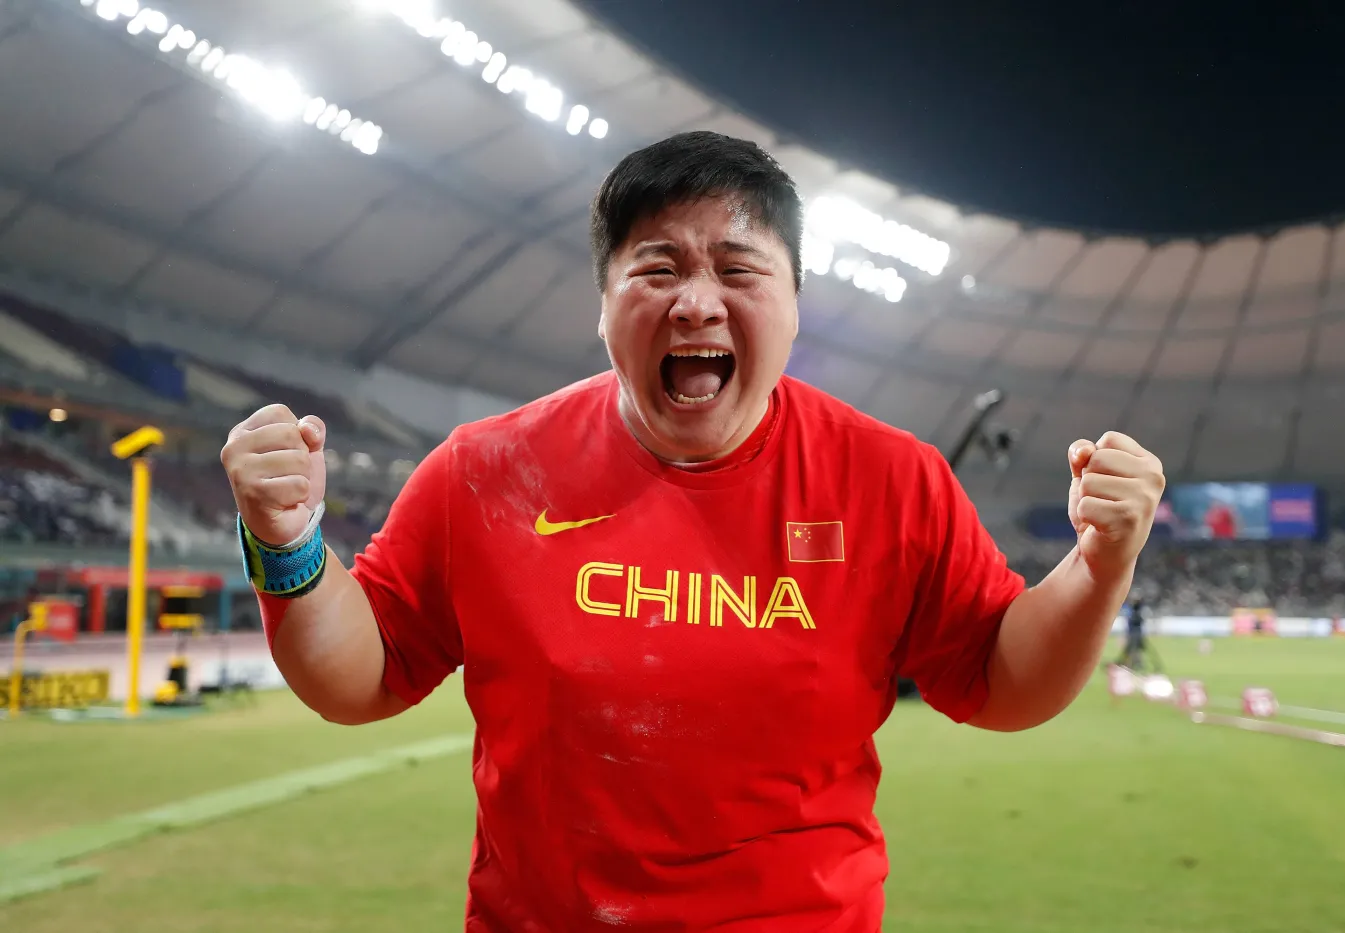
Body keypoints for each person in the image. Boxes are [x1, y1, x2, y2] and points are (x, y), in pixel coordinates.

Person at [221, 131, 1167, 932]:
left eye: (738, 269)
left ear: (793, 306)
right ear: (604, 307)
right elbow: (364, 674)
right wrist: (289, 541)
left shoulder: (892, 481)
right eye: (658, 267)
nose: (697, 301)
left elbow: (1003, 681)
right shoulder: (486, 470)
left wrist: (1101, 564)